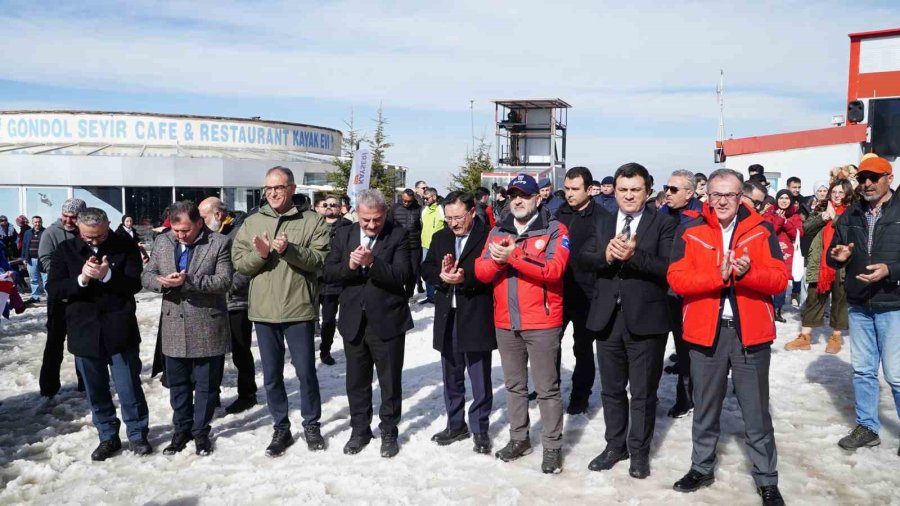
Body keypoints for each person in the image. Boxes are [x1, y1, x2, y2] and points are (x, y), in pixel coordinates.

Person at [668, 168, 787, 505]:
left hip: (750, 334)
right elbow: (677, 280)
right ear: (707, 196)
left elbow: (779, 281)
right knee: (705, 406)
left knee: (756, 411)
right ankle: (701, 467)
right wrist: (716, 277)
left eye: (730, 195)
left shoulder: (761, 230)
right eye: (716, 194)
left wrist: (749, 274)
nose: (722, 201)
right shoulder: (690, 231)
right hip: (707, 333)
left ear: (741, 198)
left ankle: (766, 479)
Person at [579, 163, 676, 479]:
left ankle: (639, 452)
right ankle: (614, 446)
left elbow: (669, 268)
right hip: (607, 318)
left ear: (648, 190)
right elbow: (585, 258)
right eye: (623, 189)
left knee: (644, 393)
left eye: (635, 189)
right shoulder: (604, 221)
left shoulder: (663, 223)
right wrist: (607, 255)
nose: (629, 195)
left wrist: (634, 256)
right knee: (610, 389)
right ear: (615, 191)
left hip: (646, 320)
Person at [475, 173, 570, 474]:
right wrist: (498, 260)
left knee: (546, 389)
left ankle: (552, 446)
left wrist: (513, 256)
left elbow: (554, 270)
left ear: (538, 198)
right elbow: (481, 271)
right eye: (512, 195)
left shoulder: (555, 229)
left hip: (541, 323)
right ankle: (519, 438)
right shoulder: (496, 231)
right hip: (506, 322)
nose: (517, 200)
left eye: (524, 195)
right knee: (514, 386)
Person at [232, 166, 330, 457]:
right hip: (263, 311)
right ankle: (281, 427)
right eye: (268, 188)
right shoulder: (252, 222)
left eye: (279, 187)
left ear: (292, 188)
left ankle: (312, 424)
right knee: (272, 376)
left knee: (305, 373)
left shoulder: (312, 221)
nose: (273, 193)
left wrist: (290, 250)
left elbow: (319, 260)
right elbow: (239, 262)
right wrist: (260, 255)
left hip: (298, 308)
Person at [47, 207, 150, 461]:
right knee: (96, 390)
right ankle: (107, 436)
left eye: (100, 236)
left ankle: (137, 435)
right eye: (88, 237)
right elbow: (54, 288)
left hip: (119, 328)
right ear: (78, 231)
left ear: (108, 227)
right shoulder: (65, 250)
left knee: (129, 387)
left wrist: (107, 276)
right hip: (84, 330)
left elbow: (134, 283)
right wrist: (81, 279)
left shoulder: (124, 246)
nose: (94, 241)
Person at [323, 188, 413, 458]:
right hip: (354, 320)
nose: (372, 225)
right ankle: (360, 429)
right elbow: (328, 272)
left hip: (387, 320)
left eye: (377, 219)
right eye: (366, 220)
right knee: (356, 381)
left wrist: (374, 263)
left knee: (389, 381)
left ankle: (388, 430)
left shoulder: (397, 234)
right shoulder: (344, 234)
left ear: (384, 213)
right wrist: (349, 266)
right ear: (356, 215)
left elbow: (404, 275)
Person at [141, 201, 232, 456]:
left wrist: (189, 281)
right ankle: (180, 429)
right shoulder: (163, 242)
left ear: (200, 223)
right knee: (178, 384)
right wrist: (159, 282)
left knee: (206, 385)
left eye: (186, 230)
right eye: (176, 230)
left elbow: (225, 281)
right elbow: (146, 275)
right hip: (173, 323)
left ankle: (201, 431)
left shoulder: (218, 243)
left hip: (206, 323)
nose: (180, 235)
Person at [827, 155, 900, 455]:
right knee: (863, 371)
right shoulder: (852, 213)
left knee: (896, 374)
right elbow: (838, 248)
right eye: (863, 179)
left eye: (874, 177)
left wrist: (891, 270)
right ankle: (868, 427)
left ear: (889, 178)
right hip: (859, 303)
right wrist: (838, 256)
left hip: (894, 303)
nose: (867, 183)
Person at [421, 191, 495, 453]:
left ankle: (480, 429)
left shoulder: (487, 236)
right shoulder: (441, 236)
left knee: (479, 377)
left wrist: (466, 277)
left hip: (475, 313)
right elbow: (426, 267)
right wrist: (441, 276)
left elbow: (493, 270)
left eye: (458, 217)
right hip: (447, 315)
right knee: (451, 376)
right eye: (449, 217)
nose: (453, 223)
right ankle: (456, 425)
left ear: (472, 212)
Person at [198, 197, 260, 413]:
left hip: (236, 302)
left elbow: (248, 267)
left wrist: (227, 286)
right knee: (211, 352)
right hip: (211, 302)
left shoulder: (241, 232)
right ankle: (211, 394)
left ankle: (247, 394)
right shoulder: (206, 235)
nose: (200, 221)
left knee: (240, 350)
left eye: (203, 216)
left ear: (218, 214)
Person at [555, 166, 603, 415]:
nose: (570, 194)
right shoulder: (557, 213)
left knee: (583, 348)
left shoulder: (602, 216)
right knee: (551, 345)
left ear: (589, 189)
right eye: (567, 188)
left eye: (575, 189)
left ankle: (580, 396)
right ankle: (550, 391)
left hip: (588, 294)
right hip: (558, 292)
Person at [782, 181, 851, 353]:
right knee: (813, 297)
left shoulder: (853, 211)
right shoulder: (821, 208)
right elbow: (805, 228)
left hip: (842, 264)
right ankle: (805, 337)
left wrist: (835, 217)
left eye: (841, 192)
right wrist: (823, 217)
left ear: (847, 194)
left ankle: (835, 337)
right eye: (833, 191)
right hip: (819, 262)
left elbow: (850, 233)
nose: (836, 195)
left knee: (839, 300)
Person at [658, 169, 704, 418]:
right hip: (657, 291)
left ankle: (685, 399)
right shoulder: (660, 213)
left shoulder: (700, 218)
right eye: (667, 187)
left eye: (674, 189)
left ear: (690, 192)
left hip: (682, 294)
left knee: (685, 350)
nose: (668, 193)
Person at [38, 198, 87, 397]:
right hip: (59, 299)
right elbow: (44, 260)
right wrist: (63, 275)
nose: (68, 220)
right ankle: (48, 388)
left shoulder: (86, 234)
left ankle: (86, 383)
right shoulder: (51, 233)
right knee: (54, 343)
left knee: (83, 342)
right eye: (65, 216)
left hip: (82, 297)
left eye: (73, 217)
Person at [315, 194, 353, 365]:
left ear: (340, 208)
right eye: (326, 204)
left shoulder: (348, 227)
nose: (329, 207)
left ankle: (328, 350)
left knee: (335, 319)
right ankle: (316, 351)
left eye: (333, 204)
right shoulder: (315, 226)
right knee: (317, 319)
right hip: (318, 279)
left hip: (338, 279)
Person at [762, 189, 803, 323]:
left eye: (787, 198)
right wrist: (780, 219)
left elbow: (798, 234)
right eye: (781, 198)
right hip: (770, 250)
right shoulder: (769, 213)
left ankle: (777, 310)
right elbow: (769, 230)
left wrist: (786, 222)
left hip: (787, 253)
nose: (784, 201)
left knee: (781, 282)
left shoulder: (795, 215)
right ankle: (766, 307)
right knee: (768, 281)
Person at [392, 189, 424, 298]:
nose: (406, 203)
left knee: (414, 272)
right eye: (404, 200)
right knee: (400, 270)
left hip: (415, 246)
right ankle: (398, 294)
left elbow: (422, 227)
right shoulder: (394, 208)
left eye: (409, 201)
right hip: (399, 246)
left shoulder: (418, 209)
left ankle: (409, 295)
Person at [420, 187, 445, 304]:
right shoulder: (424, 210)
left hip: (439, 245)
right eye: (423, 198)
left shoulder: (441, 208)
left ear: (434, 197)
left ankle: (440, 293)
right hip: (425, 245)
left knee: (440, 269)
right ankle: (430, 296)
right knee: (427, 270)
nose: (425, 200)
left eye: (427, 198)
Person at [21, 216, 47, 303]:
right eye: (35, 222)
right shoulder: (27, 233)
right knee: (33, 279)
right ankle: (35, 297)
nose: (37, 224)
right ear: (32, 223)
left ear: (42, 222)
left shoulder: (46, 232)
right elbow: (24, 246)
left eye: (39, 222)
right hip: (31, 260)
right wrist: (24, 258)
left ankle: (49, 297)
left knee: (46, 279)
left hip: (43, 260)